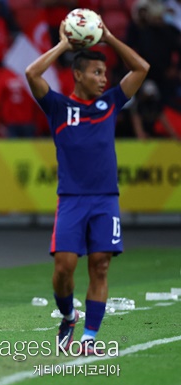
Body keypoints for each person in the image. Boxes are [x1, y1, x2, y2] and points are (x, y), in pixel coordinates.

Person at [25, 20, 149, 355]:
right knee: (64, 267)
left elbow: (142, 67)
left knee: (101, 265)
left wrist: (108, 37)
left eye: (104, 74)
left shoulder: (109, 103)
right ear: (78, 75)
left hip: (106, 199)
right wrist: (65, 46)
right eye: (96, 72)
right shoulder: (58, 108)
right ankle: (68, 316)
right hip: (71, 200)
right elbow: (32, 74)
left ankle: (89, 339)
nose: (103, 79)